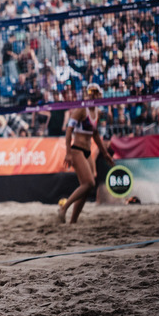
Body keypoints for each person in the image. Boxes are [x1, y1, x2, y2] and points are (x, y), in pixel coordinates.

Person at [58, 83, 115, 224]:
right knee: (89, 183)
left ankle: (73, 222)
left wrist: (105, 154)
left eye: (96, 92)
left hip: (87, 151)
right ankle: (64, 208)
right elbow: (69, 130)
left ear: (99, 95)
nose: (93, 95)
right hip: (77, 149)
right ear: (87, 94)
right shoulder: (81, 110)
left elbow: (95, 134)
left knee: (86, 187)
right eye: (91, 92)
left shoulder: (97, 111)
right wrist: (68, 152)